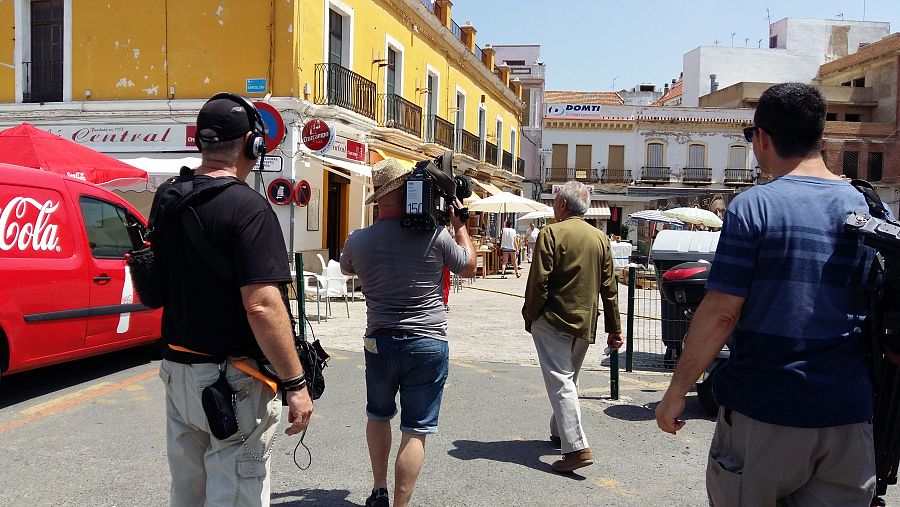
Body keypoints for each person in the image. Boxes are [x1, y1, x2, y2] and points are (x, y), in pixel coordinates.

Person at [655, 82, 877, 505]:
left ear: (762, 138)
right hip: (848, 417)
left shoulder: (755, 206)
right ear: (820, 138)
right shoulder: (866, 207)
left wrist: (676, 392)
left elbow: (721, 313)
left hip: (766, 412)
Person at [154, 93, 313, 506]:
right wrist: (295, 384)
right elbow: (262, 305)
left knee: (189, 489)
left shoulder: (168, 197)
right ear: (252, 145)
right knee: (237, 491)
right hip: (234, 380)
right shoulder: (248, 208)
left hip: (178, 370)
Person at [341, 158, 476, 507]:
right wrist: (460, 226)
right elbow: (469, 266)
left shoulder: (358, 240)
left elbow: (346, 268)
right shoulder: (436, 236)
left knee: (378, 415)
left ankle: (378, 489)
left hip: (379, 341)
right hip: (428, 342)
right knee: (415, 429)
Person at [522, 180, 623, 473]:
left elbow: (538, 282)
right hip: (584, 321)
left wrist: (531, 315)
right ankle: (560, 432)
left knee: (561, 381)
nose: (554, 206)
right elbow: (610, 287)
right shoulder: (600, 238)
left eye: (555, 202)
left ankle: (577, 448)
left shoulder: (551, 233)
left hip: (552, 318)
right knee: (568, 380)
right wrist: (614, 327)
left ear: (563, 205)